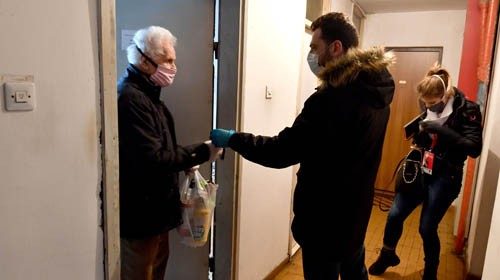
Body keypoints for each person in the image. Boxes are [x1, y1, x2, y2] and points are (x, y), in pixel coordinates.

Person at [211, 12, 395, 279]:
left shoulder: (331, 100)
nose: (311, 56)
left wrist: (233, 139)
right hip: (355, 214)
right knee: (355, 269)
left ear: (335, 48)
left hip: (324, 221)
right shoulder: (377, 92)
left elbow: (281, 151)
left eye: (314, 47)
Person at [117, 26, 222, 280]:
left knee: (157, 271)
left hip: (156, 215)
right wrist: (201, 152)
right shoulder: (131, 99)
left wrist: (187, 160)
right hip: (141, 219)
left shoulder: (149, 97)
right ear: (144, 60)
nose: (174, 67)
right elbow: (153, 159)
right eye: (168, 60)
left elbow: (162, 150)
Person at [368, 64, 483, 280]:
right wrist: (420, 136)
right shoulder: (428, 104)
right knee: (394, 215)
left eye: (433, 103)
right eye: (426, 103)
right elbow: (428, 136)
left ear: (446, 93)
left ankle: (431, 270)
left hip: (447, 176)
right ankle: (387, 255)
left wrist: (443, 131)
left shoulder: (468, 109)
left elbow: (474, 148)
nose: (429, 106)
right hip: (422, 169)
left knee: (427, 227)